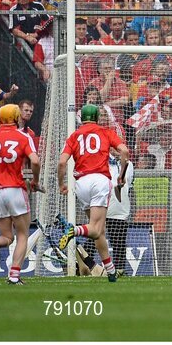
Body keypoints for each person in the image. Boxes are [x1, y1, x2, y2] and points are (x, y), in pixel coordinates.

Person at [57, 104, 130, 283]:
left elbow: (61, 163)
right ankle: (73, 230)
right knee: (96, 228)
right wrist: (121, 175)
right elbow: (125, 151)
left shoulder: (74, 136)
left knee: (98, 232)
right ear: (97, 117)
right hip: (99, 181)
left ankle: (110, 271)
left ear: (82, 118)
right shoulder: (105, 132)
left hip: (80, 184)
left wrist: (61, 184)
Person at [0, 105, 40, 285]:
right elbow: (35, 160)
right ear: (15, 117)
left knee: (6, 238)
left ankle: (13, 275)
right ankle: (14, 275)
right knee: (22, 235)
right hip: (15, 189)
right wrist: (34, 180)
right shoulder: (23, 136)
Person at [106, 145, 135, 276]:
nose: (117, 150)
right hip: (103, 205)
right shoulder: (103, 162)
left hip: (120, 207)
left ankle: (119, 269)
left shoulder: (129, 165)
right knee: (95, 237)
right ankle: (87, 265)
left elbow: (127, 182)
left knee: (119, 240)